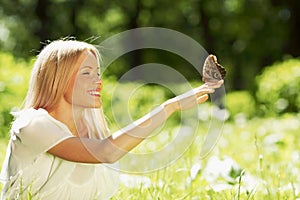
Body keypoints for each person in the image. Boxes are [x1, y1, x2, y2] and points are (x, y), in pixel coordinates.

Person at [0, 39, 223, 199]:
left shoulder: (93, 126)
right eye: (87, 73)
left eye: (98, 73)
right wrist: (169, 107)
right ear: (57, 78)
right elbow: (106, 152)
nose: (98, 81)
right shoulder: (32, 124)